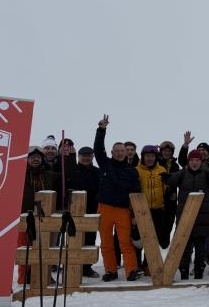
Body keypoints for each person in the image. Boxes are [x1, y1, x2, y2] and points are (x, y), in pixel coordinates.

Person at [93, 115, 142, 282]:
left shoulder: (132, 171)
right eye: (117, 151)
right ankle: (111, 271)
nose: (120, 153)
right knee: (106, 243)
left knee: (125, 242)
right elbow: (98, 148)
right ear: (112, 153)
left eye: (123, 151)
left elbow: (136, 194)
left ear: (126, 154)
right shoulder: (105, 163)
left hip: (123, 210)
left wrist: (134, 215)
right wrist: (101, 130)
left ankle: (131, 271)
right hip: (105, 208)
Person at [163, 150, 209, 280]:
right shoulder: (183, 173)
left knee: (200, 248)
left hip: (202, 218)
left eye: (197, 160)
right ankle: (184, 272)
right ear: (188, 161)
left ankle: (199, 272)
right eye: (192, 160)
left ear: (201, 161)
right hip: (184, 217)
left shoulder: (206, 173)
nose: (194, 163)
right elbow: (170, 182)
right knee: (184, 248)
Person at [17, 146, 60, 284]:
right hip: (24, 216)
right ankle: (24, 278)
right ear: (27, 159)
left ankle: (44, 276)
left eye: (38, 157)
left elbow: (68, 175)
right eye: (32, 157)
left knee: (43, 247)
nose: (35, 159)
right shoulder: (19, 174)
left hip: (44, 217)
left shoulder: (49, 174)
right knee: (25, 247)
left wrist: (68, 157)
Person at [136, 145, 170, 275]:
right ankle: (137, 265)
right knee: (139, 239)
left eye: (152, 156)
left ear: (156, 157)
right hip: (141, 210)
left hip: (158, 209)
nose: (150, 158)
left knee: (154, 238)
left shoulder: (162, 169)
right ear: (143, 157)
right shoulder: (137, 170)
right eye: (147, 156)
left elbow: (165, 188)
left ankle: (148, 264)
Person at [69, 145, 101, 278]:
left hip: (92, 211)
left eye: (89, 155)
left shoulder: (97, 172)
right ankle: (72, 265)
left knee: (90, 239)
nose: (86, 158)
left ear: (92, 157)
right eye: (83, 155)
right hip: (74, 211)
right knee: (73, 239)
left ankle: (87, 268)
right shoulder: (72, 170)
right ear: (79, 156)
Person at [158, 141, 181, 233]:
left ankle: (166, 246)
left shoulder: (175, 166)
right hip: (158, 199)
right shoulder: (156, 163)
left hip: (171, 200)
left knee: (168, 228)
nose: (166, 153)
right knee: (157, 228)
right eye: (164, 151)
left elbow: (177, 181)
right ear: (161, 151)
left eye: (169, 151)